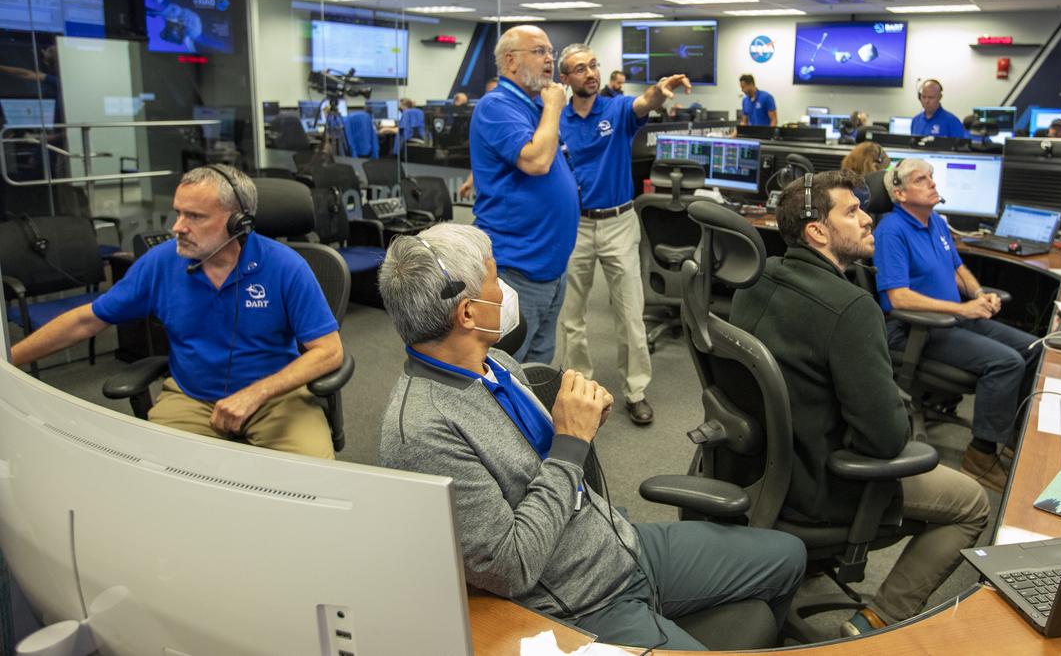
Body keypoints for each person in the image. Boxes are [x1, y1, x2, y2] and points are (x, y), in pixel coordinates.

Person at [377, 225, 807, 651]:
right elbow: (511, 566)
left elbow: (544, 470)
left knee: (789, 556)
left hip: (618, 544)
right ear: (468, 313)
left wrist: (580, 423)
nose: (504, 290)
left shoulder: (497, 362)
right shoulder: (423, 432)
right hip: (582, 605)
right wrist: (570, 444)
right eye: (494, 279)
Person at [730, 170, 989, 636]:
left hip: (755, 471)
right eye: (851, 212)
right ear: (817, 231)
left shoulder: (757, 277)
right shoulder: (851, 308)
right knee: (972, 503)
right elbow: (885, 440)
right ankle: (877, 619)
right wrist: (895, 407)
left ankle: (808, 567)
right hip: (824, 483)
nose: (868, 219)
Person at [10, 166, 343, 458]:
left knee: (312, 482)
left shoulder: (285, 266)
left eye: (195, 216)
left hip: (275, 397)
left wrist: (256, 393)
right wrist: (9, 359)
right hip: (192, 398)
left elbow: (328, 352)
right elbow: (86, 321)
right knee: (156, 478)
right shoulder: (161, 263)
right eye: (178, 213)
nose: (177, 227)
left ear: (237, 223)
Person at [872, 158, 1041, 491]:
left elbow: (957, 270)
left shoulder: (936, 222)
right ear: (900, 194)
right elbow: (898, 297)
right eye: (921, 179)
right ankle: (980, 455)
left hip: (954, 319)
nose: (933, 183)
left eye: (931, 177)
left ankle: (1009, 439)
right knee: (1007, 362)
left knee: (1034, 348)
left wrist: (979, 294)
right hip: (914, 330)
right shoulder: (891, 230)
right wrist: (963, 309)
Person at [557, 43, 690, 426]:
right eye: (580, 68)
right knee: (572, 316)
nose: (590, 73)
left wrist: (659, 91)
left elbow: (644, 103)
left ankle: (636, 391)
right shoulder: (557, 119)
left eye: (593, 65)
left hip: (618, 222)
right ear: (565, 78)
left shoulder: (616, 109)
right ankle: (580, 389)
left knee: (631, 314)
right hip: (575, 225)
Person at [469, 25, 579, 363]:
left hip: (549, 266)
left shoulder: (530, 106)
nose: (550, 60)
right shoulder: (496, 105)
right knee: (506, 366)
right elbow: (536, 161)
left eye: (551, 52)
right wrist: (554, 107)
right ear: (511, 61)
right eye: (540, 51)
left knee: (537, 365)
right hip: (517, 266)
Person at [458, 80, 501, 199]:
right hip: (492, 195)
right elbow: (484, 159)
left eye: (496, 91)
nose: (492, 97)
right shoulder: (486, 122)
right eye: (489, 93)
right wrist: (469, 182)